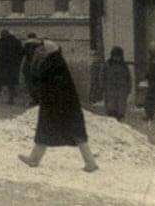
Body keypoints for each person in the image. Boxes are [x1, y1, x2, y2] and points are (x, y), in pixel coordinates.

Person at [18, 40, 99, 172]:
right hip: (63, 105)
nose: (39, 51)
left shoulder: (52, 64)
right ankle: (34, 159)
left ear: (48, 51)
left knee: (52, 130)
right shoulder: (55, 62)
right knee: (72, 132)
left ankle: (90, 163)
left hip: (58, 105)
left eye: (42, 49)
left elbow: (42, 81)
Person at [0, 29, 24, 104]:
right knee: (10, 83)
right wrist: (17, 63)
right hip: (12, 66)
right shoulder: (16, 41)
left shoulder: (0, 41)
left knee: (0, 83)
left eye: (2, 34)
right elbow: (21, 53)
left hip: (3, 65)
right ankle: (9, 99)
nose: (1, 36)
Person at [103, 46, 132, 121]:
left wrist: (129, 88)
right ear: (112, 56)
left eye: (118, 56)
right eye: (115, 56)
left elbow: (128, 77)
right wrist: (103, 86)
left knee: (120, 106)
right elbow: (102, 75)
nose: (117, 58)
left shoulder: (124, 65)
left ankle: (119, 117)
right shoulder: (108, 64)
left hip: (122, 89)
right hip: (110, 88)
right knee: (111, 106)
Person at [22, 33, 43, 105]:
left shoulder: (27, 44)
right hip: (38, 66)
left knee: (30, 84)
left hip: (29, 66)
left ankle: (35, 100)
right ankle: (39, 100)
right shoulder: (40, 44)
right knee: (37, 84)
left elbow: (23, 53)